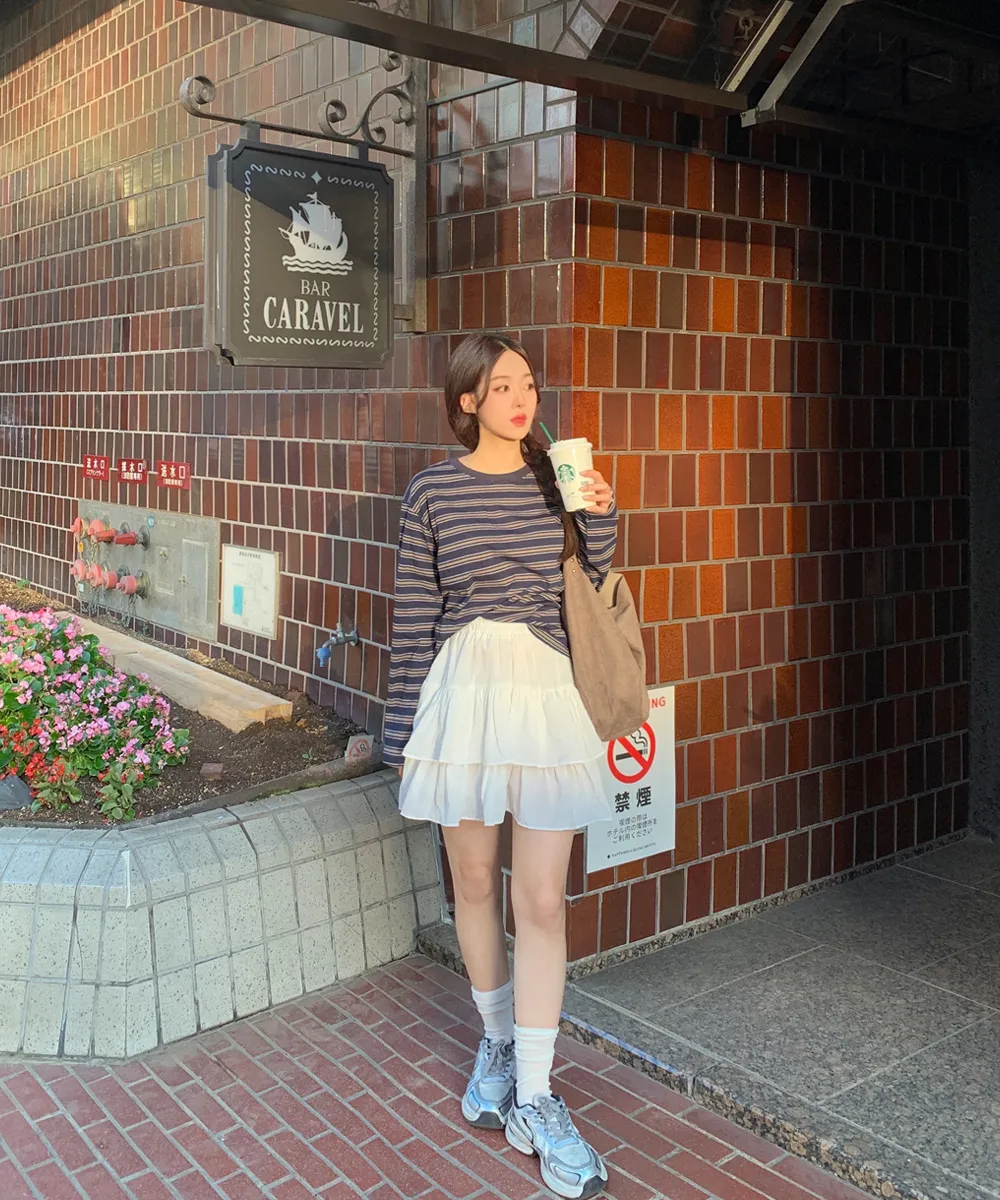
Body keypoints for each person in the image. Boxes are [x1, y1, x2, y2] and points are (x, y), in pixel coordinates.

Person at [383, 332, 617, 1199]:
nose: (523, 399)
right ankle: (495, 1037)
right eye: (503, 385)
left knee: (542, 898)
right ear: (468, 401)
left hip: (545, 691)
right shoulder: (431, 492)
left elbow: (595, 577)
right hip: (462, 695)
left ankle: (538, 1094)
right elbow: (416, 612)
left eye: (529, 384)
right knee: (475, 881)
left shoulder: (555, 476)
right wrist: (403, 730)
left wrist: (599, 511)